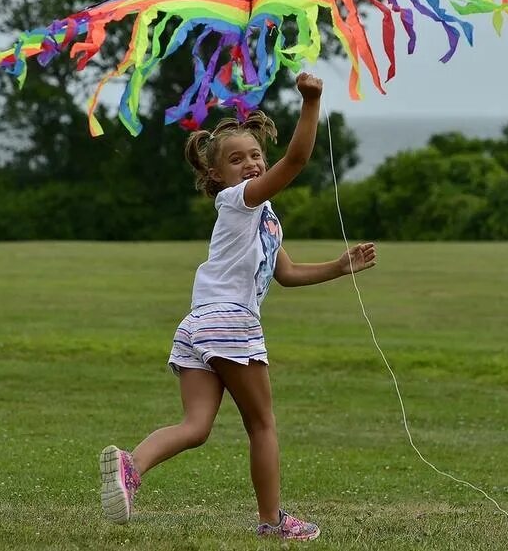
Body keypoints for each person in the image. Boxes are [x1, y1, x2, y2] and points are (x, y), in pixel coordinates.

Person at [98, 73, 377, 541]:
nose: (250, 164)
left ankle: (132, 464)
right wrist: (311, 101)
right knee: (262, 424)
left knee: (196, 426)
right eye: (236, 159)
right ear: (216, 176)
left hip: (197, 325)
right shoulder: (238, 202)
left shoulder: (264, 218)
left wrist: (340, 266)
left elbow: (285, 274)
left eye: (254, 156)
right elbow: (297, 160)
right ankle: (272, 522)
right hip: (229, 322)